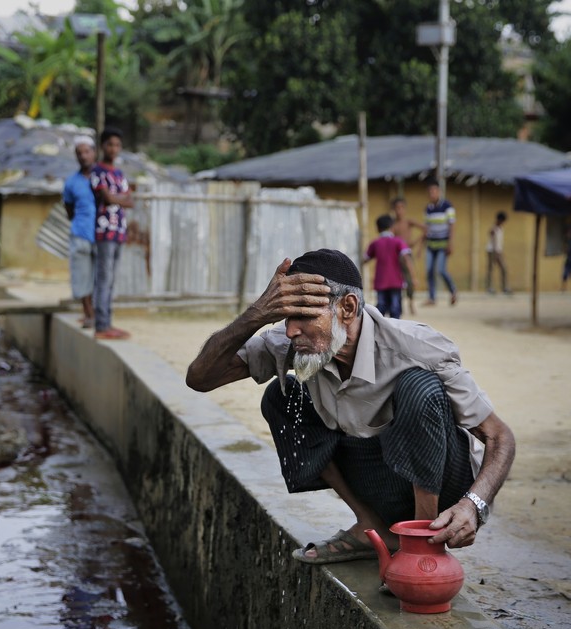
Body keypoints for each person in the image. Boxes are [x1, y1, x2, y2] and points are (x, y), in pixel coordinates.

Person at [186, 249, 515, 565]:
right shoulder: (295, 345)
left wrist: (474, 505)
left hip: (444, 488)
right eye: (286, 317)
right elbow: (200, 378)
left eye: (302, 317)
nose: (290, 329)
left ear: (347, 306)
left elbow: (501, 437)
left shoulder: (416, 348)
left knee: (419, 387)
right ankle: (372, 527)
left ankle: (420, 548)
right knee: (281, 396)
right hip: (377, 475)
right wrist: (255, 314)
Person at [90, 128, 134, 340]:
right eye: (110, 144)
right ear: (102, 146)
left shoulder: (119, 174)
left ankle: (107, 323)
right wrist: (119, 198)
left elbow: (130, 201)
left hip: (119, 232)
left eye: (117, 145)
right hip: (104, 232)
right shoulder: (97, 171)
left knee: (111, 280)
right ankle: (101, 325)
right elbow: (107, 199)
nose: (113, 148)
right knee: (103, 280)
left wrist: (115, 197)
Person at [63, 135, 98, 329]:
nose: (83, 156)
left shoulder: (103, 177)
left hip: (102, 235)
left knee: (99, 278)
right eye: (79, 153)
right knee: (82, 276)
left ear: (94, 153)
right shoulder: (71, 183)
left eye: (87, 151)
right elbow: (69, 209)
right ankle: (88, 314)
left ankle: (99, 314)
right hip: (80, 233)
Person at [364, 215, 413, 319]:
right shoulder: (398, 241)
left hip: (381, 281)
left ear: (377, 228)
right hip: (396, 281)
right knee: (395, 309)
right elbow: (406, 258)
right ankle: (394, 330)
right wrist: (412, 277)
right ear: (392, 227)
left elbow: (365, 259)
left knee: (381, 307)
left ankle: (378, 329)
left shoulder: (375, 243)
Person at [423, 178, 457, 306]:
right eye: (429, 192)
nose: (431, 194)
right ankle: (432, 298)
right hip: (431, 245)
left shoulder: (447, 206)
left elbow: (452, 225)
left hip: (443, 244)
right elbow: (426, 228)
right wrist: (422, 246)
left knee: (441, 270)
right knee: (429, 270)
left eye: (434, 191)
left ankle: (453, 290)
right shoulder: (428, 208)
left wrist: (450, 243)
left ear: (439, 191)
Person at [389, 197, 424, 315]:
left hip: (407, 254)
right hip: (395, 255)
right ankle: (398, 304)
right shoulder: (393, 224)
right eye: (397, 208)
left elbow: (426, 230)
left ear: (405, 209)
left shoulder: (409, 222)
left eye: (401, 208)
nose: (399, 211)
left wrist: (417, 245)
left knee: (410, 279)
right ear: (394, 210)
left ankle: (411, 302)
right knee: (397, 280)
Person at [486, 211, 510, 295]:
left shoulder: (501, 228)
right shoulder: (494, 228)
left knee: (504, 268)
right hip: (492, 250)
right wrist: (496, 252)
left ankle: (504, 287)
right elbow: (493, 241)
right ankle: (489, 287)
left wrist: (500, 251)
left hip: (498, 251)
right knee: (491, 269)